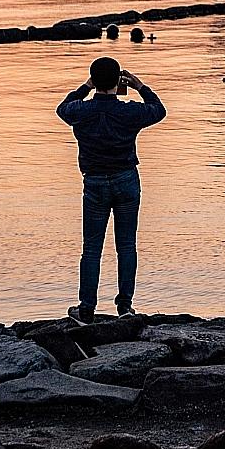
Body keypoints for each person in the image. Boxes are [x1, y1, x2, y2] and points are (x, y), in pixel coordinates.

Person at [56, 56, 166, 323]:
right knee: (126, 245)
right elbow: (158, 110)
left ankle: (86, 309)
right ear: (118, 81)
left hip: (94, 183)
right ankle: (125, 308)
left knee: (91, 249)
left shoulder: (81, 111)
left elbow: (62, 108)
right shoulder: (129, 112)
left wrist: (86, 86)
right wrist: (139, 86)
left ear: (94, 81)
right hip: (126, 180)